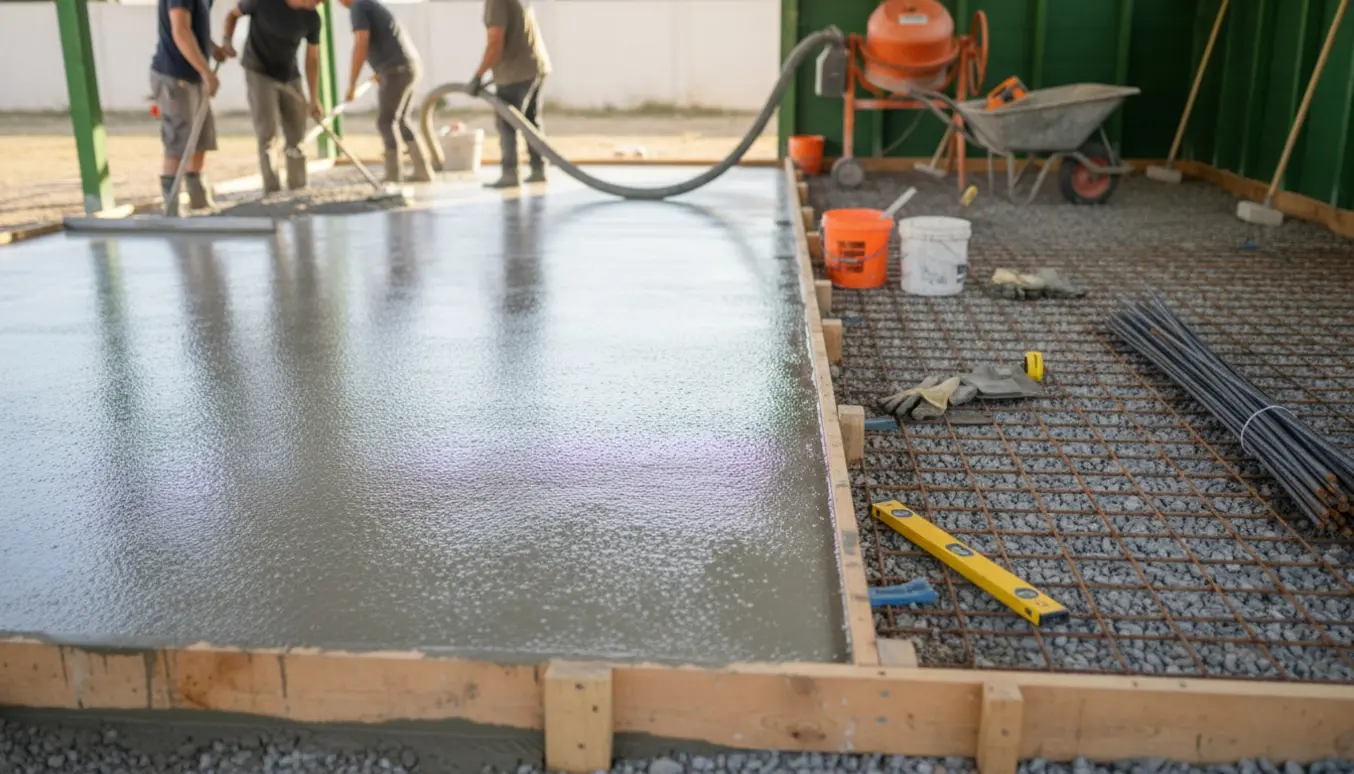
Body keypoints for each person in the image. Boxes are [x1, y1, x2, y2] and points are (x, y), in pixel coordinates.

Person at [221, 0, 325, 193]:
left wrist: (313, 98)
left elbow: (312, 58)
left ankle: (298, 187)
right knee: (267, 132)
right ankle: (272, 189)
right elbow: (232, 15)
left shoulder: (313, 18)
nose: (320, 3)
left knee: (296, 131)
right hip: (259, 71)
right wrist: (227, 41)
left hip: (289, 74)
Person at [337, 0, 434, 183]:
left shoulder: (358, 7)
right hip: (409, 65)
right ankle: (423, 170)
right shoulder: (370, 5)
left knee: (386, 122)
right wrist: (379, 71)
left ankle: (393, 176)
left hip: (396, 69)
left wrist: (351, 85)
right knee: (402, 120)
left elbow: (361, 43)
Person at [150, 0, 227, 210]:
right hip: (173, 76)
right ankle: (171, 205)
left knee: (202, 138)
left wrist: (211, 48)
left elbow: (194, 27)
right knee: (178, 140)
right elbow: (181, 30)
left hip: (194, 75)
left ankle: (199, 200)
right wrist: (206, 71)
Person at [468, 0, 551, 189]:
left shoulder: (496, 2)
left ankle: (510, 174)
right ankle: (539, 169)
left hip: (516, 71)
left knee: (507, 123)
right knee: (530, 122)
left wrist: (479, 75)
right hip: (535, 64)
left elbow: (495, 40)